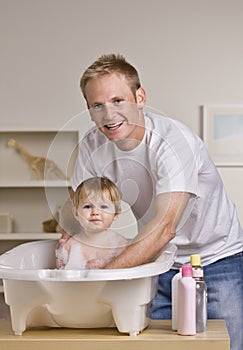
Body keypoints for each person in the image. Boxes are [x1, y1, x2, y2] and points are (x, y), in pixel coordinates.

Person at [58, 54, 243, 350]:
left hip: (216, 257)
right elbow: (78, 210)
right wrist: (69, 247)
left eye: (118, 100)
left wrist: (98, 279)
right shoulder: (91, 148)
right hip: (157, 261)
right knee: (154, 345)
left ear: (140, 97)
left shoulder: (173, 141)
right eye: (98, 105)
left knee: (227, 345)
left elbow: (165, 227)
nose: (108, 114)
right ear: (89, 110)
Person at [56, 176, 127, 269]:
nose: (95, 212)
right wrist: (59, 258)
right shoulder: (71, 245)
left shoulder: (120, 244)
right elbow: (60, 274)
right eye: (87, 206)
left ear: (116, 214)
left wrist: (106, 266)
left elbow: (125, 271)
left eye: (103, 207)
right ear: (76, 213)